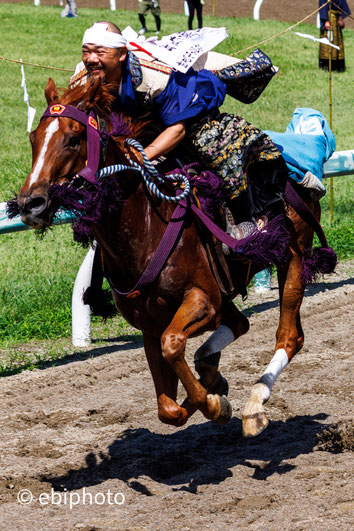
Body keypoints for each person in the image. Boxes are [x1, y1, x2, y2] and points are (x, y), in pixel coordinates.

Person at [75, 22, 287, 234]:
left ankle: (248, 219)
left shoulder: (154, 77)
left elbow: (177, 129)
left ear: (121, 54)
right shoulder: (81, 81)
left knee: (212, 142)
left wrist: (142, 156)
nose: (92, 59)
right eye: (86, 51)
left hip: (186, 117)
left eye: (100, 52)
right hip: (138, 125)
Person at [319, 0, 351, 72]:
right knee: (328, 42)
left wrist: (341, 17)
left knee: (338, 41)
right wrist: (326, 20)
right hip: (328, 18)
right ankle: (327, 66)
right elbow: (323, 4)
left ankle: (338, 66)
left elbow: (342, 3)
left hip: (337, 19)